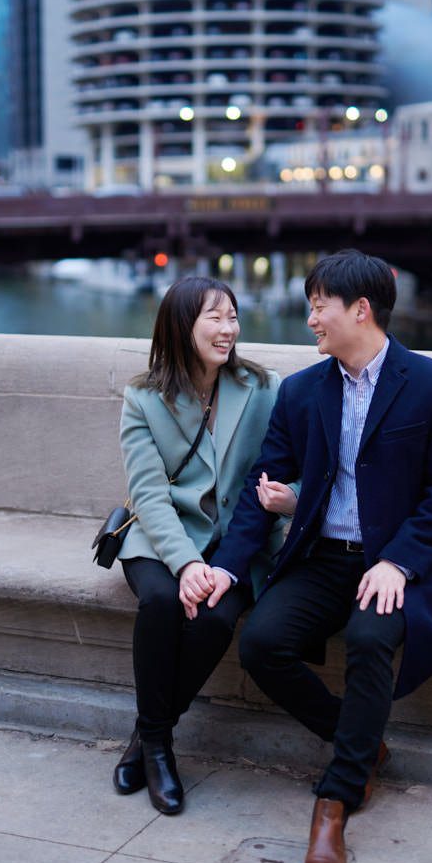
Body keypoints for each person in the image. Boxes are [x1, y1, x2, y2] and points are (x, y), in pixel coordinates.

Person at [183, 248, 432, 863]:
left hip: (393, 563)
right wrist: (230, 571)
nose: (312, 319)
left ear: (361, 310)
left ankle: (335, 800)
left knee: (373, 638)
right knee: (262, 642)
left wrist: (400, 563)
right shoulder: (301, 391)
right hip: (323, 558)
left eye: (320, 306)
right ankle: (362, 743)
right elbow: (260, 492)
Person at [113, 276, 295, 815]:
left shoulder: (265, 388)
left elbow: (285, 475)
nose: (228, 329)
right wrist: (187, 563)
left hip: (238, 546)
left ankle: (148, 737)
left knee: (215, 620)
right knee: (163, 601)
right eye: (214, 317)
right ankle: (160, 750)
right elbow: (147, 493)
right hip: (160, 537)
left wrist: (220, 562)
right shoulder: (144, 397)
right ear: (181, 325)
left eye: (233, 316)